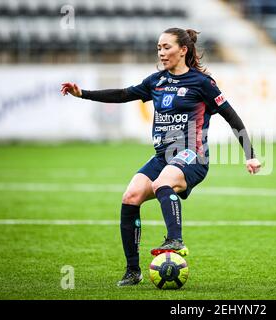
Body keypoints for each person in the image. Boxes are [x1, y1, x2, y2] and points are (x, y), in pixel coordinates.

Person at [61, 28, 261, 286]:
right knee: (130, 196)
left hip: (193, 155)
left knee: (162, 183)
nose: (161, 52)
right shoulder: (156, 81)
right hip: (162, 156)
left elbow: (231, 116)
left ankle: (175, 239)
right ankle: (133, 271)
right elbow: (124, 94)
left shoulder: (202, 83)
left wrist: (250, 155)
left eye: (167, 47)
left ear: (183, 50)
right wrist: (83, 94)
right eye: (159, 48)